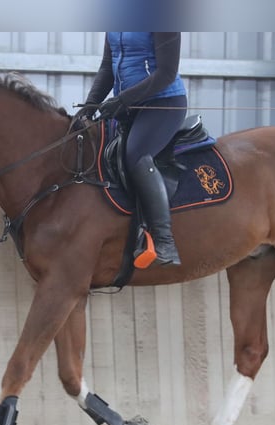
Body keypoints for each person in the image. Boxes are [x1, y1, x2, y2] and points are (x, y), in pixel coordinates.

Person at [79, 32, 187, 266]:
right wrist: (89, 107)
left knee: (136, 154)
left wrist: (123, 99)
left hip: (164, 103)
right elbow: (107, 67)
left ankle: (164, 242)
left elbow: (166, 74)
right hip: (129, 106)